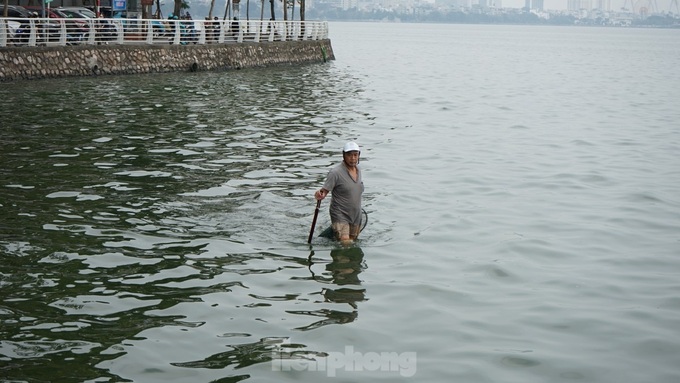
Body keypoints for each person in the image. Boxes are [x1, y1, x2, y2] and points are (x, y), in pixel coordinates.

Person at [314, 142, 364, 244]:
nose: (353, 158)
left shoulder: (358, 170)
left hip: (356, 215)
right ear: (343, 155)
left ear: (359, 155)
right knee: (345, 242)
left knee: (353, 241)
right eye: (349, 155)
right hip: (340, 213)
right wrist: (320, 194)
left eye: (355, 155)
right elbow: (324, 191)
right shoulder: (335, 173)